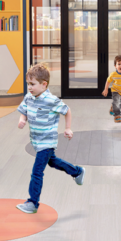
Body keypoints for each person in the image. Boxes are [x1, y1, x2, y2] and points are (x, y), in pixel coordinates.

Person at [16, 64, 84, 214]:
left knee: (37, 172)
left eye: (32, 84)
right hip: (36, 140)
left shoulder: (51, 100)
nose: (29, 87)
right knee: (53, 162)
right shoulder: (29, 97)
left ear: (44, 84)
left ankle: (33, 203)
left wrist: (68, 128)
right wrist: (22, 119)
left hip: (47, 142)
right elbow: (24, 110)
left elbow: (67, 110)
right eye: (28, 84)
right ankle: (77, 172)